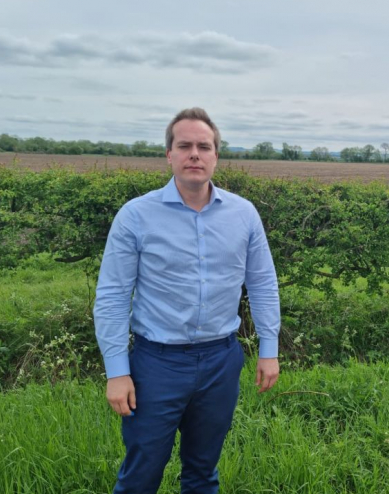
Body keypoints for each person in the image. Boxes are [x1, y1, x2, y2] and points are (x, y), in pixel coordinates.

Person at [93, 107, 281, 494]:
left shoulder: (243, 214)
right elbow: (112, 295)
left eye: (204, 146)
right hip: (155, 365)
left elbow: (262, 283)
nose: (195, 153)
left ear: (216, 156)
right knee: (141, 473)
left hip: (220, 361)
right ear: (169, 155)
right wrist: (116, 371)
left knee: (203, 471)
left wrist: (269, 348)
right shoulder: (135, 216)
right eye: (185, 146)